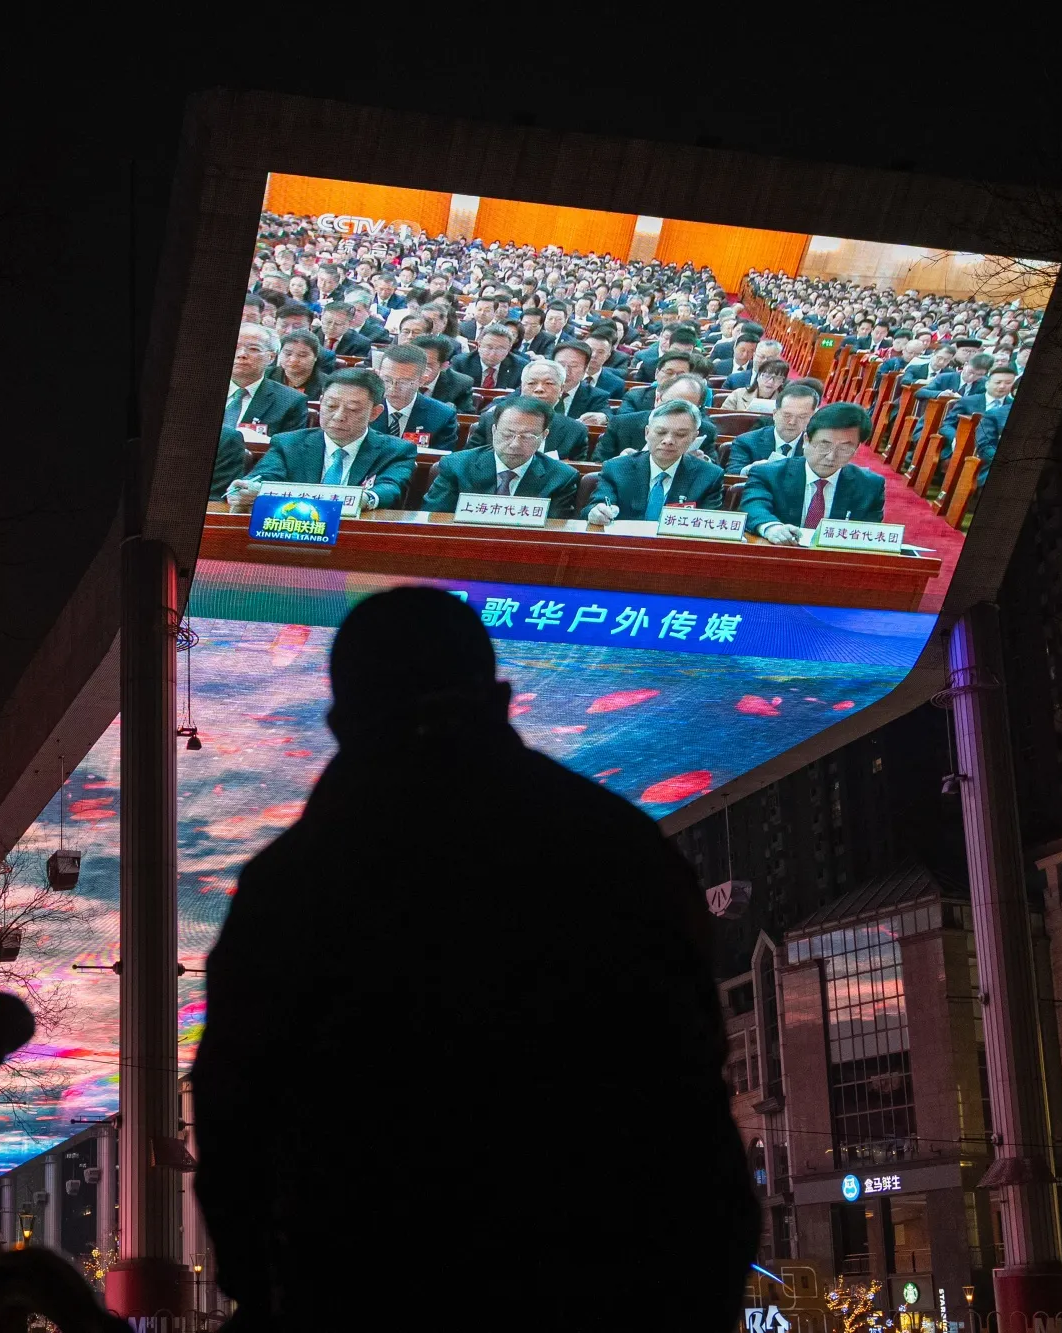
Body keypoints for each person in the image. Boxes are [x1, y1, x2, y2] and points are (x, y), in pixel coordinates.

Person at [193, 586, 757, 1331]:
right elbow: (693, 1096)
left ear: (341, 719)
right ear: (497, 694)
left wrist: (271, 1291)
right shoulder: (620, 851)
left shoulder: (290, 885)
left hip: (365, 1291)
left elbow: (235, 1119)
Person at [226, 368, 417, 512]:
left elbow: (389, 488)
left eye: (353, 409)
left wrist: (365, 498)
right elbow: (264, 477)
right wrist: (247, 489)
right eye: (331, 405)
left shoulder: (396, 451)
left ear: (375, 413)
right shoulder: (288, 444)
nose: (339, 416)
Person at [742, 402, 887, 541]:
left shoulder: (870, 486)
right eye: (824, 445)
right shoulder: (769, 474)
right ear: (806, 440)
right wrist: (772, 528)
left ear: (856, 449)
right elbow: (754, 506)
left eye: (844, 448)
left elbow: (868, 533)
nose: (831, 456)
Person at [420, 395, 581, 517]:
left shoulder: (561, 477)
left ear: (544, 436)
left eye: (527, 436)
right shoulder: (457, 465)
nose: (515, 444)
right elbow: (434, 518)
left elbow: (555, 532)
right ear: (494, 431)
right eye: (507, 434)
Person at [582, 399, 726, 522]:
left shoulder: (709, 476)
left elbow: (708, 527)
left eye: (680, 434)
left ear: (694, 438)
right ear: (647, 433)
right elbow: (595, 506)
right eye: (661, 432)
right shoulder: (616, 468)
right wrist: (596, 513)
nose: (668, 441)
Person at [593, 374, 720, 461]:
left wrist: (703, 461)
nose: (677, 412)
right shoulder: (622, 424)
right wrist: (618, 463)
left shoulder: (705, 430)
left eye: (687, 407)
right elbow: (598, 465)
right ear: (658, 399)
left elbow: (715, 471)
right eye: (671, 404)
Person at [368, 344, 460, 451]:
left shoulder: (442, 415)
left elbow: (439, 461)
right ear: (378, 375)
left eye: (404, 382)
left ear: (422, 381)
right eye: (387, 380)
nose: (393, 388)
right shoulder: (365, 408)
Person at [227, 324, 311, 437]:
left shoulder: (290, 401)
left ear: (271, 357)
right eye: (236, 347)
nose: (241, 354)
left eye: (253, 349)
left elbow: (286, 450)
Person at [725, 380, 822, 473]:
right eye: (787, 415)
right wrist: (751, 469)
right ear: (775, 414)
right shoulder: (747, 442)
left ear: (812, 418)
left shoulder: (818, 447)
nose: (792, 422)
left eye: (802, 417)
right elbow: (733, 474)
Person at [511, 357, 591, 460]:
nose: (539, 389)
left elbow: (575, 472)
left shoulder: (575, 431)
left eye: (548, 383)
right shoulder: (491, 421)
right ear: (522, 387)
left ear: (561, 389)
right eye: (531, 383)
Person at [451, 323, 527, 393]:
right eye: (489, 347)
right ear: (479, 346)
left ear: (509, 349)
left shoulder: (520, 366)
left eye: (500, 349)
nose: (493, 354)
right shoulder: (461, 363)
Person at [417, 335, 475, 413]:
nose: (420, 369)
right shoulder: (398, 378)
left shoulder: (461, 384)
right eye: (416, 363)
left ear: (444, 366)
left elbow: (465, 417)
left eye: (428, 365)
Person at [718, 357, 792, 412]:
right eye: (767, 376)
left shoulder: (785, 402)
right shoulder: (738, 394)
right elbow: (723, 418)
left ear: (783, 381)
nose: (770, 382)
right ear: (758, 377)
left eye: (777, 378)